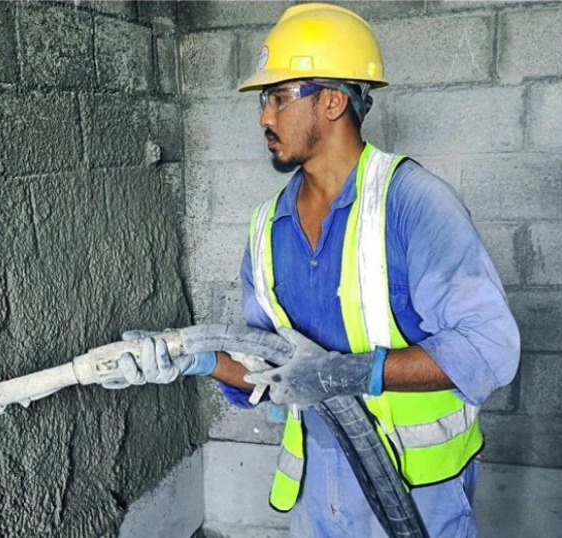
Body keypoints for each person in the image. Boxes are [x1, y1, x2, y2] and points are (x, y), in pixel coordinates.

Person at [103, 4, 520, 537]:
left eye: (279, 97)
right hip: (319, 498)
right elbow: (267, 370)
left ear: (331, 101)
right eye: (263, 100)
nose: (264, 117)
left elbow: (490, 348)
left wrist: (345, 373)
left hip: (418, 498)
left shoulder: (413, 204)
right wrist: (194, 359)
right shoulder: (267, 228)